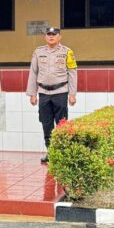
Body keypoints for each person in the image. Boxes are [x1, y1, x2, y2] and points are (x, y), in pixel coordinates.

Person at [26, 26, 77, 164]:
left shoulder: (67, 52)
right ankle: (50, 151)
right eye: (48, 34)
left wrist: (72, 94)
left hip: (60, 92)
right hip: (43, 93)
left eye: (54, 34)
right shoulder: (38, 52)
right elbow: (33, 72)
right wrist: (32, 93)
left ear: (59, 37)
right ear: (45, 37)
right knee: (46, 123)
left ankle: (61, 152)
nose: (51, 36)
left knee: (61, 123)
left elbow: (72, 73)